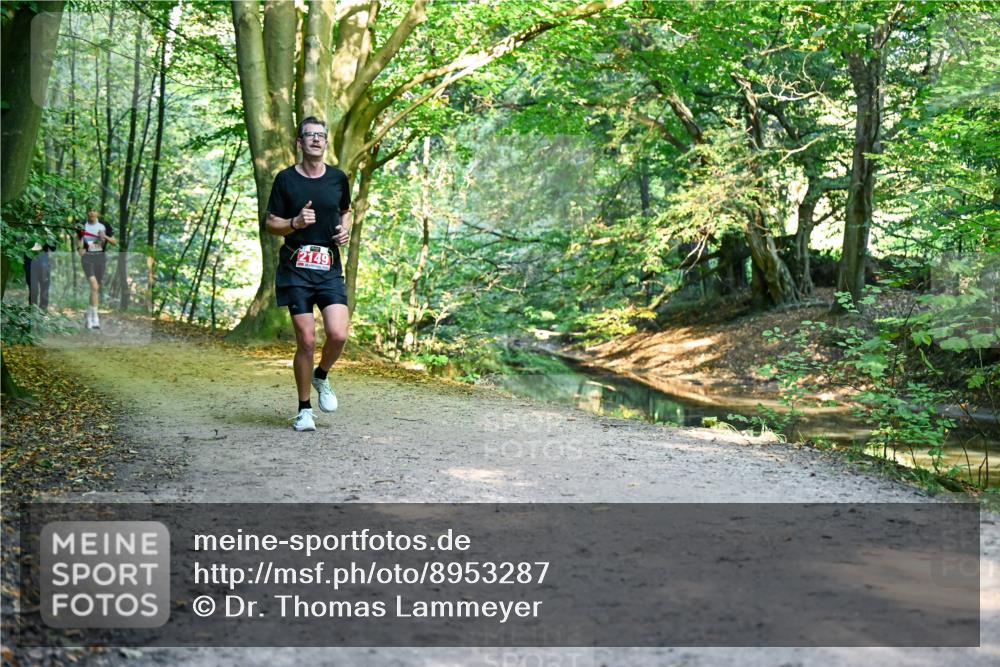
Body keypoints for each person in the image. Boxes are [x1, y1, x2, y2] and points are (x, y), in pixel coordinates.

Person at [265, 116, 353, 431]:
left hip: (328, 268)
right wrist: (295, 223)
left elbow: (346, 211)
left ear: (325, 142)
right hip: (296, 269)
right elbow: (270, 223)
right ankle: (304, 410)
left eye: (321, 135)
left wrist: (345, 230)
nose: (316, 139)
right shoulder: (285, 179)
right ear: (299, 143)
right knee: (306, 339)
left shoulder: (338, 179)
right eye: (309, 135)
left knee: (338, 334)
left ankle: (322, 375)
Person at [77, 207, 116, 329]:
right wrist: (79, 249)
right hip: (87, 258)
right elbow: (78, 240)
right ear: (87, 212)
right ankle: (95, 317)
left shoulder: (105, 225)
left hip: (100, 258)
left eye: (94, 210)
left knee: (95, 289)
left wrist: (105, 237)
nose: (91, 212)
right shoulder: (82, 225)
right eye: (89, 210)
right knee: (94, 286)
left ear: (97, 213)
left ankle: (89, 316)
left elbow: (114, 242)